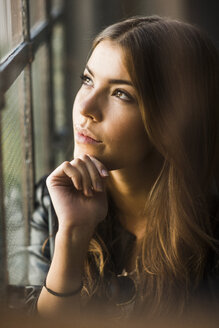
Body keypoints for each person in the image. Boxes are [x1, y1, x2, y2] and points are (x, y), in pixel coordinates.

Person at [26, 15, 219, 321]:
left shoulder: (211, 235)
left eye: (121, 94)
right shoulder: (54, 201)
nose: (86, 107)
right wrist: (73, 235)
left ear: (173, 121)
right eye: (87, 80)